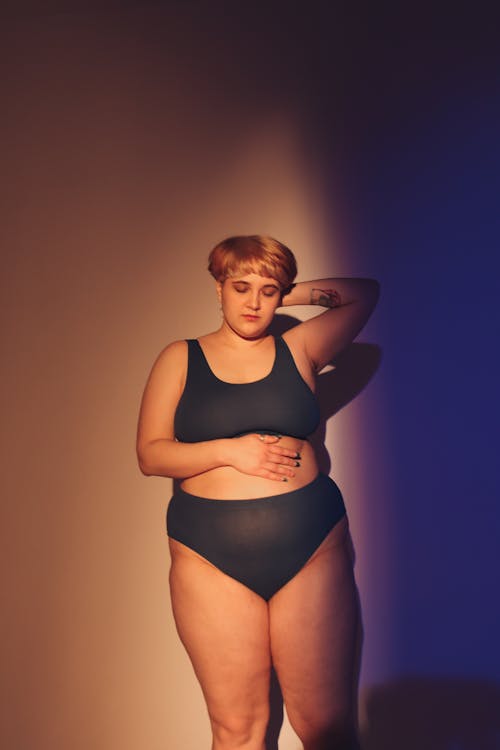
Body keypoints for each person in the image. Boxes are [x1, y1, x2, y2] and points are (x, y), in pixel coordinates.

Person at [136, 235, 379, 750]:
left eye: (266, 291)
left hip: (311, 546)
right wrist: (230, 451)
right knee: (238, 732)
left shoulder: (300, 348)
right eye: (240, 287)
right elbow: (150, 454)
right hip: (210, 556)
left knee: (325, 728)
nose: (253, 302)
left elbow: (364, 294)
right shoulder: (181, 357)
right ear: (218, 288)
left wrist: (282, 292)